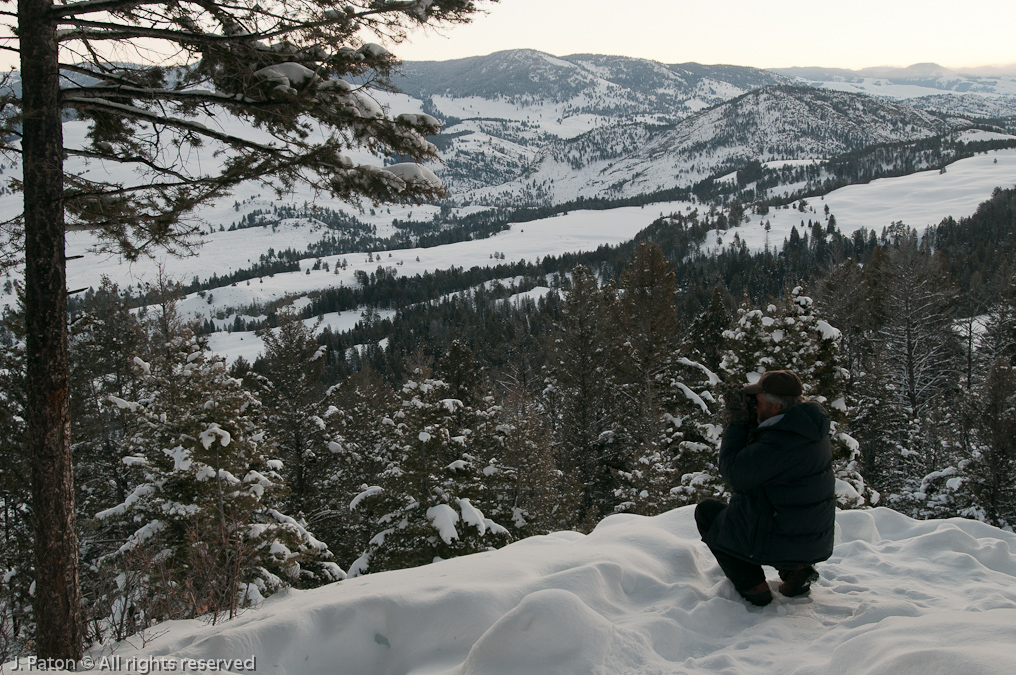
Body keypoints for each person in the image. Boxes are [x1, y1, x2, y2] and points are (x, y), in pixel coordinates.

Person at [695, 370, 836, 607]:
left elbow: (735, 472)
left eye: (757, 401)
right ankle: (796, 571)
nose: (754, 406)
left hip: (784, 539)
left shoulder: (780, 442)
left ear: (776, 407)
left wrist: (737, 423)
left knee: (709, 513)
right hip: (810, 539)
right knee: (766, 506)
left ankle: (754, 587)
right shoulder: (805, 429)